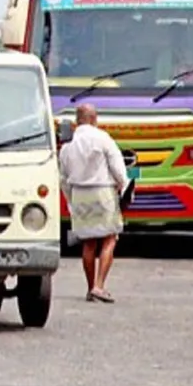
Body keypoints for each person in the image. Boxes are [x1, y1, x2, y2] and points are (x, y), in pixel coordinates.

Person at [58, 102, 127, 303]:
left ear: (77, 121)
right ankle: (99, 285)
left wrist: (70, 199)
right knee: (109, 238)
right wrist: (124, 185)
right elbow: (117, 166)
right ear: (94, 119)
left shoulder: (68, 145)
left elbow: (63, 177)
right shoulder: (103, 138)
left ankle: (90, 288)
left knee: (88, 242)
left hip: (79, 192)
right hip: (102, 191)